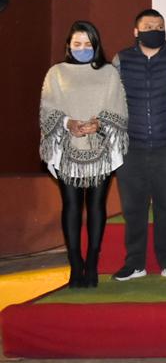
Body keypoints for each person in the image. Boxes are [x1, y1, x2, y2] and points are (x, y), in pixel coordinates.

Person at [40, 21, 129, 288]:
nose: (82, 48)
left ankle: (92, 262)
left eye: (88, 44)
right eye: (77, 44)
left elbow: (118, 108)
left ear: (96, 45)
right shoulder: (56, 73)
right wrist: (69, 123)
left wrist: (99, 123)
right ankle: (75, 264)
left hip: (101, 147)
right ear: (68, 45)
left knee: (97, 205)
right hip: (67, 147)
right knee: (71, 204)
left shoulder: (109, 73)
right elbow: (48, 109)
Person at [110, 9, 166, 282]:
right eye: (148, 26)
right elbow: (111, 98)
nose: (154, 30)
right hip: (130, 147)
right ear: (136, 31)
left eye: (159, 26)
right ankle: (135, 263)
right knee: (133, 209)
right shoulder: (121, 59)